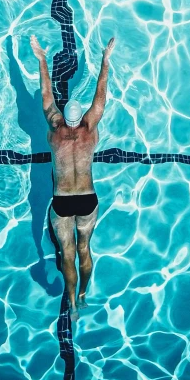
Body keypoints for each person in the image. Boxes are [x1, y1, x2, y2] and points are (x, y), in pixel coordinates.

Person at [30, 34, 115, 321]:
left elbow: (46, 96)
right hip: (87, 199)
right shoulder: (90, 129)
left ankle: (71, 302)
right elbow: (100, 97)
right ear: (82, 117)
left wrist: (42, 59)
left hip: (62, 201)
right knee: (83, 248)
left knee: (67, 253)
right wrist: (105, 60)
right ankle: (84, 294)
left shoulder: (55, 129)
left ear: (65, 117)